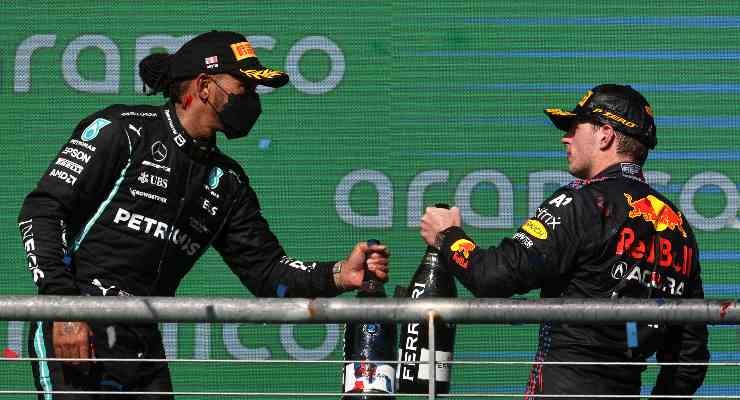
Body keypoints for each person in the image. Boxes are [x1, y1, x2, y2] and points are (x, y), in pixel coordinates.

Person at [18, 30, 389, 399]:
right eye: (244, 88)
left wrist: (341, 273)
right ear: (205, 86)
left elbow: (268, 274)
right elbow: (42, 211)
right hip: (78, 330)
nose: (253, 101)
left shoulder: (227, 182)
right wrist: (64, 308)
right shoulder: (124, 131)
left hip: (142, 346)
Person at [420, 84, 708, 398]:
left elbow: (494, 275)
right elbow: (689, 357)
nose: (565, 137)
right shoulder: (678, 227)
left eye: (574, 127)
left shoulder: (583, 201)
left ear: (605, 135)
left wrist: (448, 236)